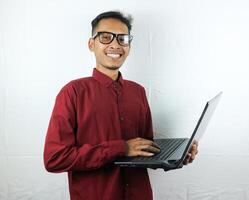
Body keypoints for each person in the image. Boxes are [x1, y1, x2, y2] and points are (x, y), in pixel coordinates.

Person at [43, 11, 199, 200]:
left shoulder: (138, 92)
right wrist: (120, 148)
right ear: (91, 44)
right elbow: (54, 159)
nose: (115, 44)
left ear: (129, 45)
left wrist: (178, 157)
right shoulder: (72, 92)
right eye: (106, 37)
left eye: (122, 39)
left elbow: (144, 151)